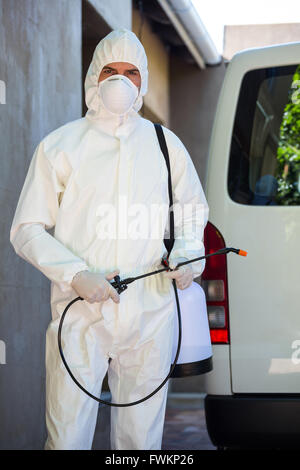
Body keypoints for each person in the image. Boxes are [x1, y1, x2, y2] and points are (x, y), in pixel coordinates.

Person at [10, 29, 209, 450]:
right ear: (93, 77)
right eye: (110, 70)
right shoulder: (61, 146)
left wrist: (189, 255)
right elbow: (26, 228)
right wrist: (76, 273)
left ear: (144, 79)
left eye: (131, 71)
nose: (120, 81)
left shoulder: (165, 145)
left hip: (151, 313)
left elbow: (191, 211)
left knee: (141, 443)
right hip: (80, 313)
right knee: (67, 439)